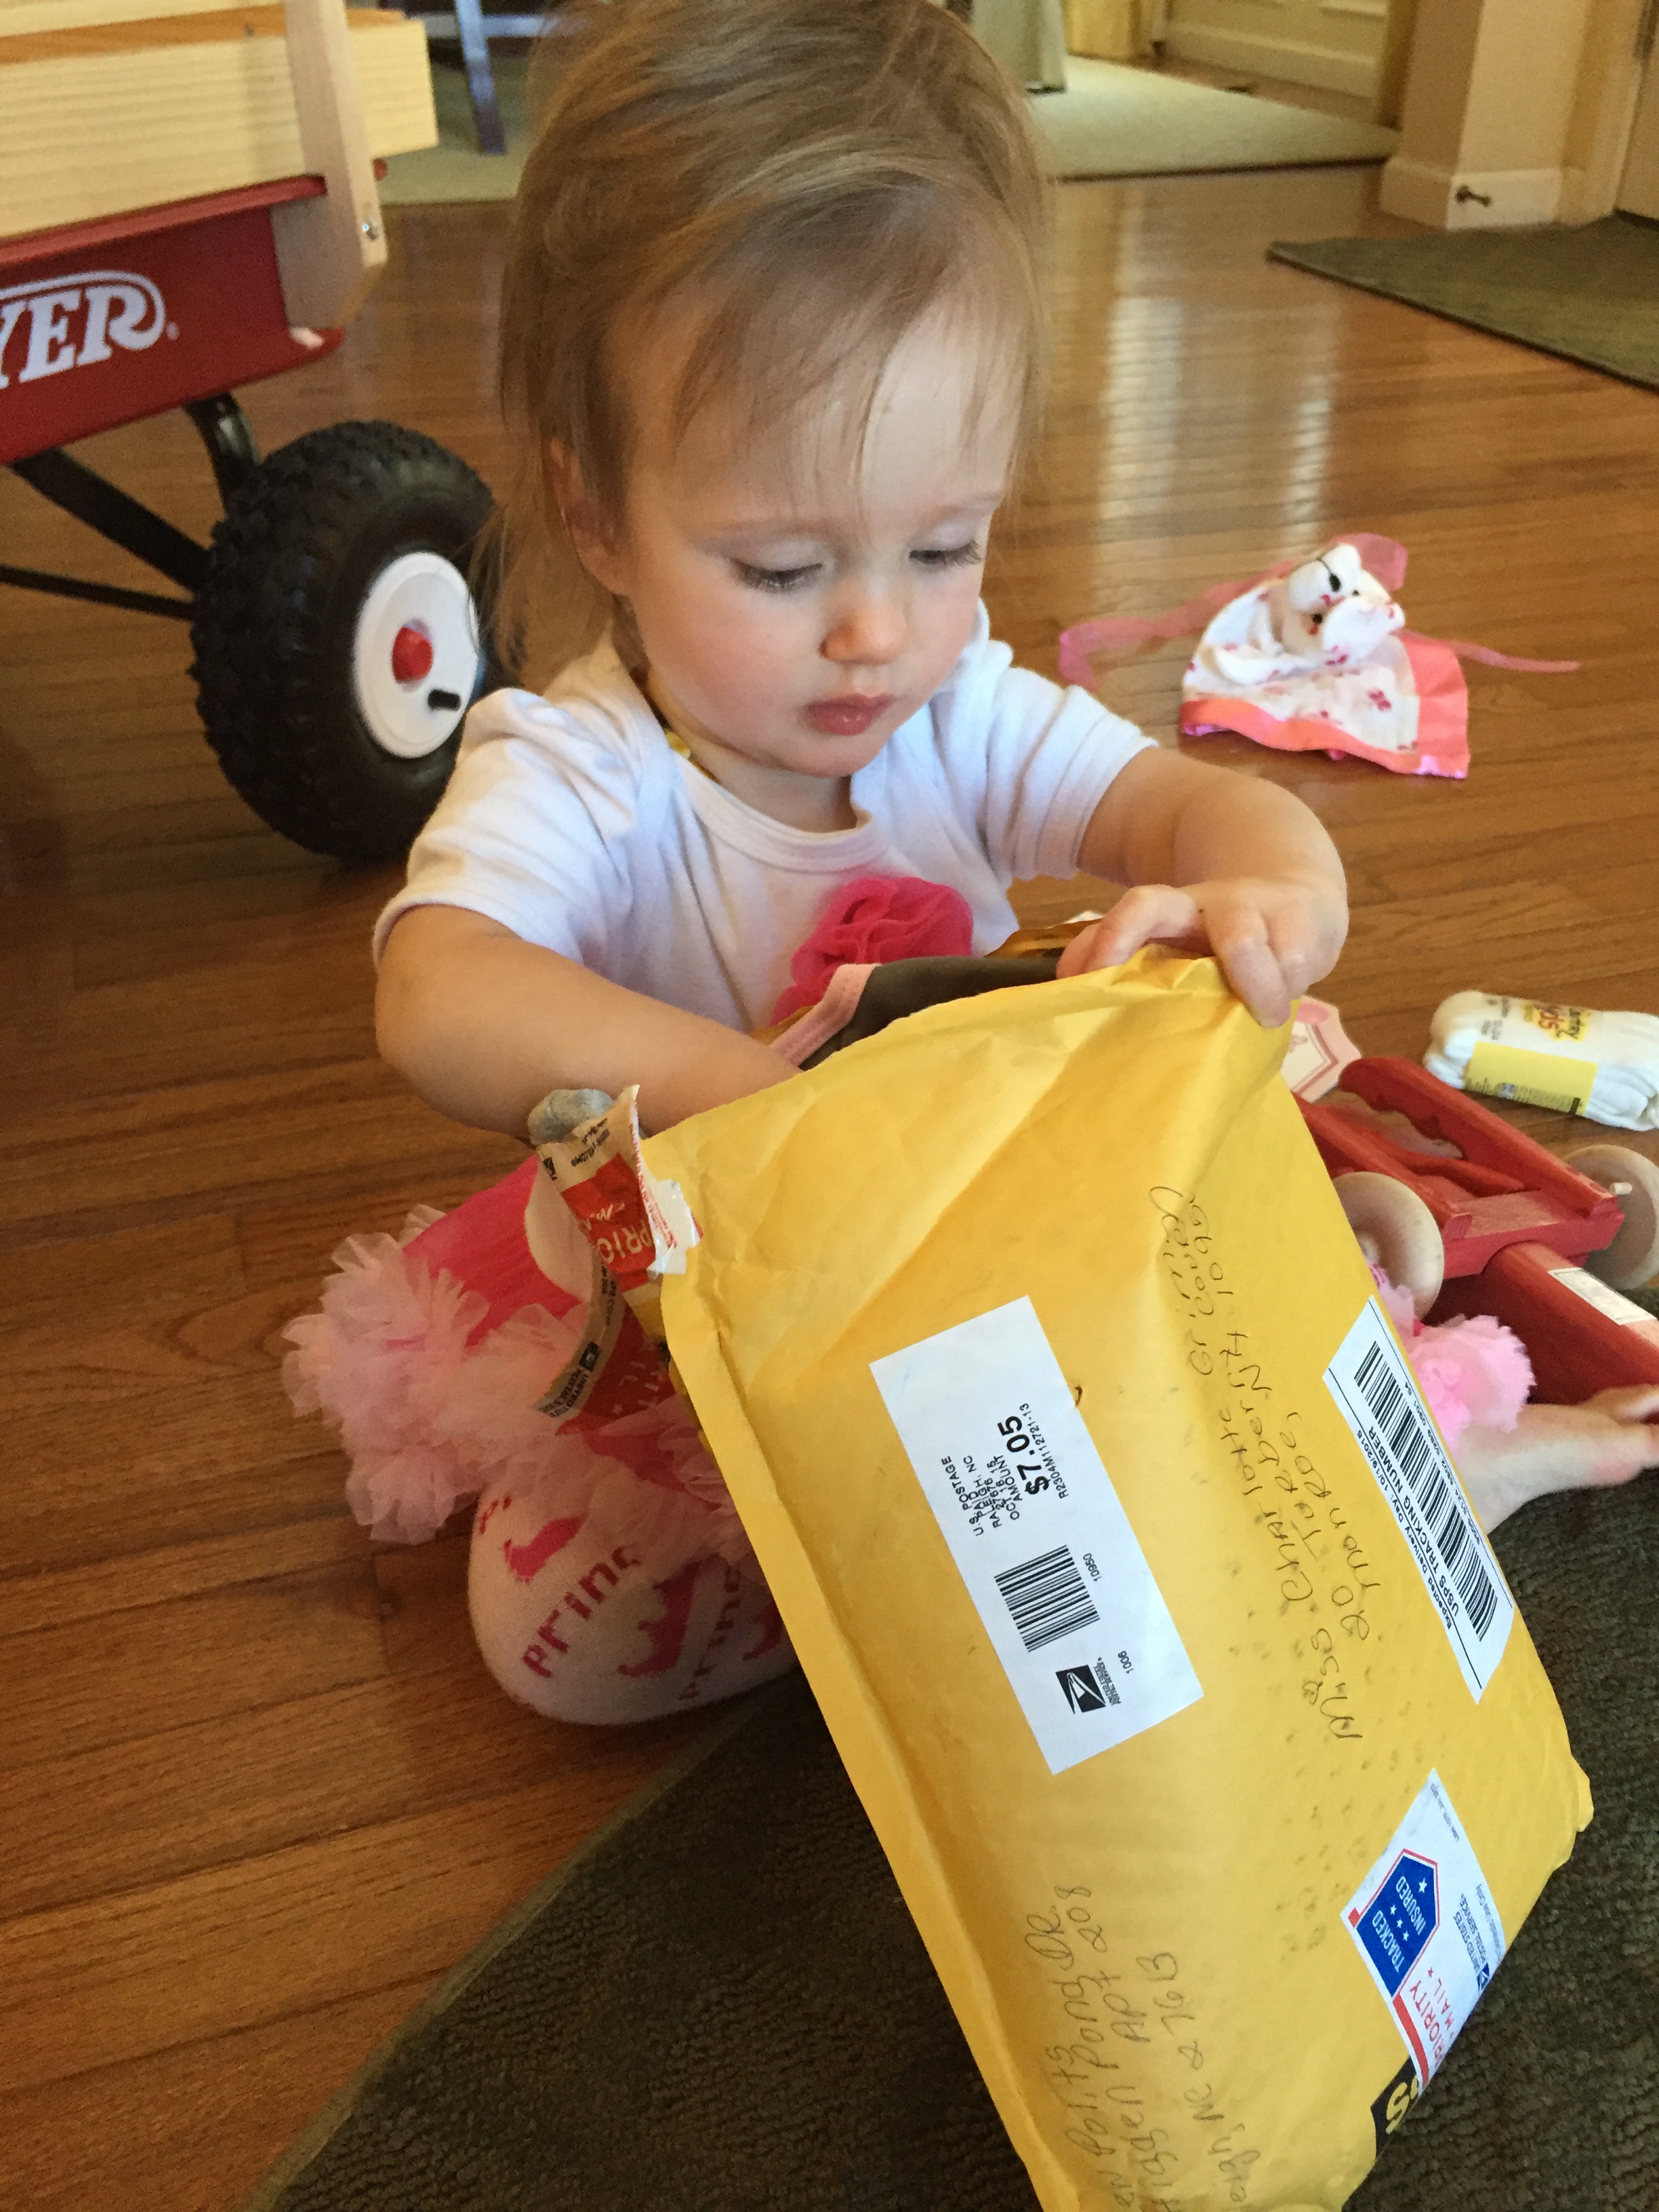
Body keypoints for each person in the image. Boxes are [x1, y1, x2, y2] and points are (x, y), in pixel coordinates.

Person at [286, 0, 1648, 1727]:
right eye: (782, 569)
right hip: (760, 1301)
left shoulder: (959, 715)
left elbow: (1221, 816)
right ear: (597, 514)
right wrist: (753, 1100)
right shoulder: (585, 768)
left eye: (942, 545)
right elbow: (437, 989)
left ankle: (1467, 1402)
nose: (876, 633)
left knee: (1287, 1254)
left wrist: (1268, 903)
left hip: (1012, 1262)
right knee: (557, 1649)